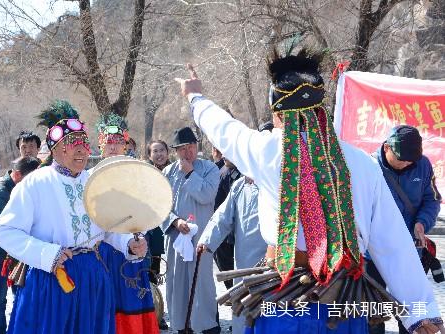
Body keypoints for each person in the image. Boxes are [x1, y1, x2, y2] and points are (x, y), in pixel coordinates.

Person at [174, 52, 443, 333]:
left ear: (277, 113)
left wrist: (196, 97)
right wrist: (421, 313)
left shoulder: (268, 153)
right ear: (320, 110)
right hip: (343, 301)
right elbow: (392, 242)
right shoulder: (361, 163)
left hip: (284, 301)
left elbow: (225, 130)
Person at [0, 100, 147, 334]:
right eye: (71, 144)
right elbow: (5, 231)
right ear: (54, 150)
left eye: (84, 144)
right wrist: (47, 254)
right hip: (53, 279)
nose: (81, 150)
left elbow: (108, 229)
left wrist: (128, 243)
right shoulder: (36, 182)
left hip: (94, 278)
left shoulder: (94, 182)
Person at [367, 125, 442, 334]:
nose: (407, 163)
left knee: (412, 311)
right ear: (386, 148)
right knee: (373, 309)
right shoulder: (369, 168)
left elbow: (432, 200)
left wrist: (422, 223)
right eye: (402, 159)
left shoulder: (423, 165)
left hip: (410, 250)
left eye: (411, 160)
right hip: (374, 255)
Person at [95, 113, 160, 333]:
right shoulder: (89, 177)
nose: (113, 147)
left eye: (118, 142)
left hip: (134, 247)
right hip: (102, 252)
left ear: (125, 144)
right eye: (108, 143)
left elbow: (148, 211)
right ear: (101, 146)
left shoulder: (138, 175)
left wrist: (139, 237)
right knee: (104, 304)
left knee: (132, 300)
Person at [162, 126, 221, 334]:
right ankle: (181, 326)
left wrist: (190, 174)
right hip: (176, 238)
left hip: (201, 238)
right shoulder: (167, 172)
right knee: (177, 282)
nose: (188, 152)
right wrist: (175, 221)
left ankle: (207, 326)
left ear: (197, 146)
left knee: (202, 281)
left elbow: (206, 195)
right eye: (183, 148)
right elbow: (161, 206)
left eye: (192, 147)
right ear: (175, 151)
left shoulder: (210, 169)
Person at [198, 174, 267, 334]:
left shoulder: (279, 181)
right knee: (244, 305)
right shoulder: (240, 186)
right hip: (246, 259)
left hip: (277, 258)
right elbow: (223, 216)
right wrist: (207, 240)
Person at [0, 156, 40, 334]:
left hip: (18, 255)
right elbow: (2, 224)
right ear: (17, 174)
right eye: (32, 178)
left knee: (20, 298)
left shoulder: (27, 190)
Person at [146, 139, 170, 330]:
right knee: (150, 270)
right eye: (155, 151)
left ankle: (162, 310)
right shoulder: (145, 174)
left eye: (162, 150)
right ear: (149, 155)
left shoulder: (175, 172)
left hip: (171, 226)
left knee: (165, 271)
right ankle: (154, 312)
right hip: (151, 228)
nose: (159, 154)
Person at [212, 156, 242, 290]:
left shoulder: (249, 175)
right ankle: (233, 292)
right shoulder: (223, 173)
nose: (223, 155)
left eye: (228, 152)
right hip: (226, 230)